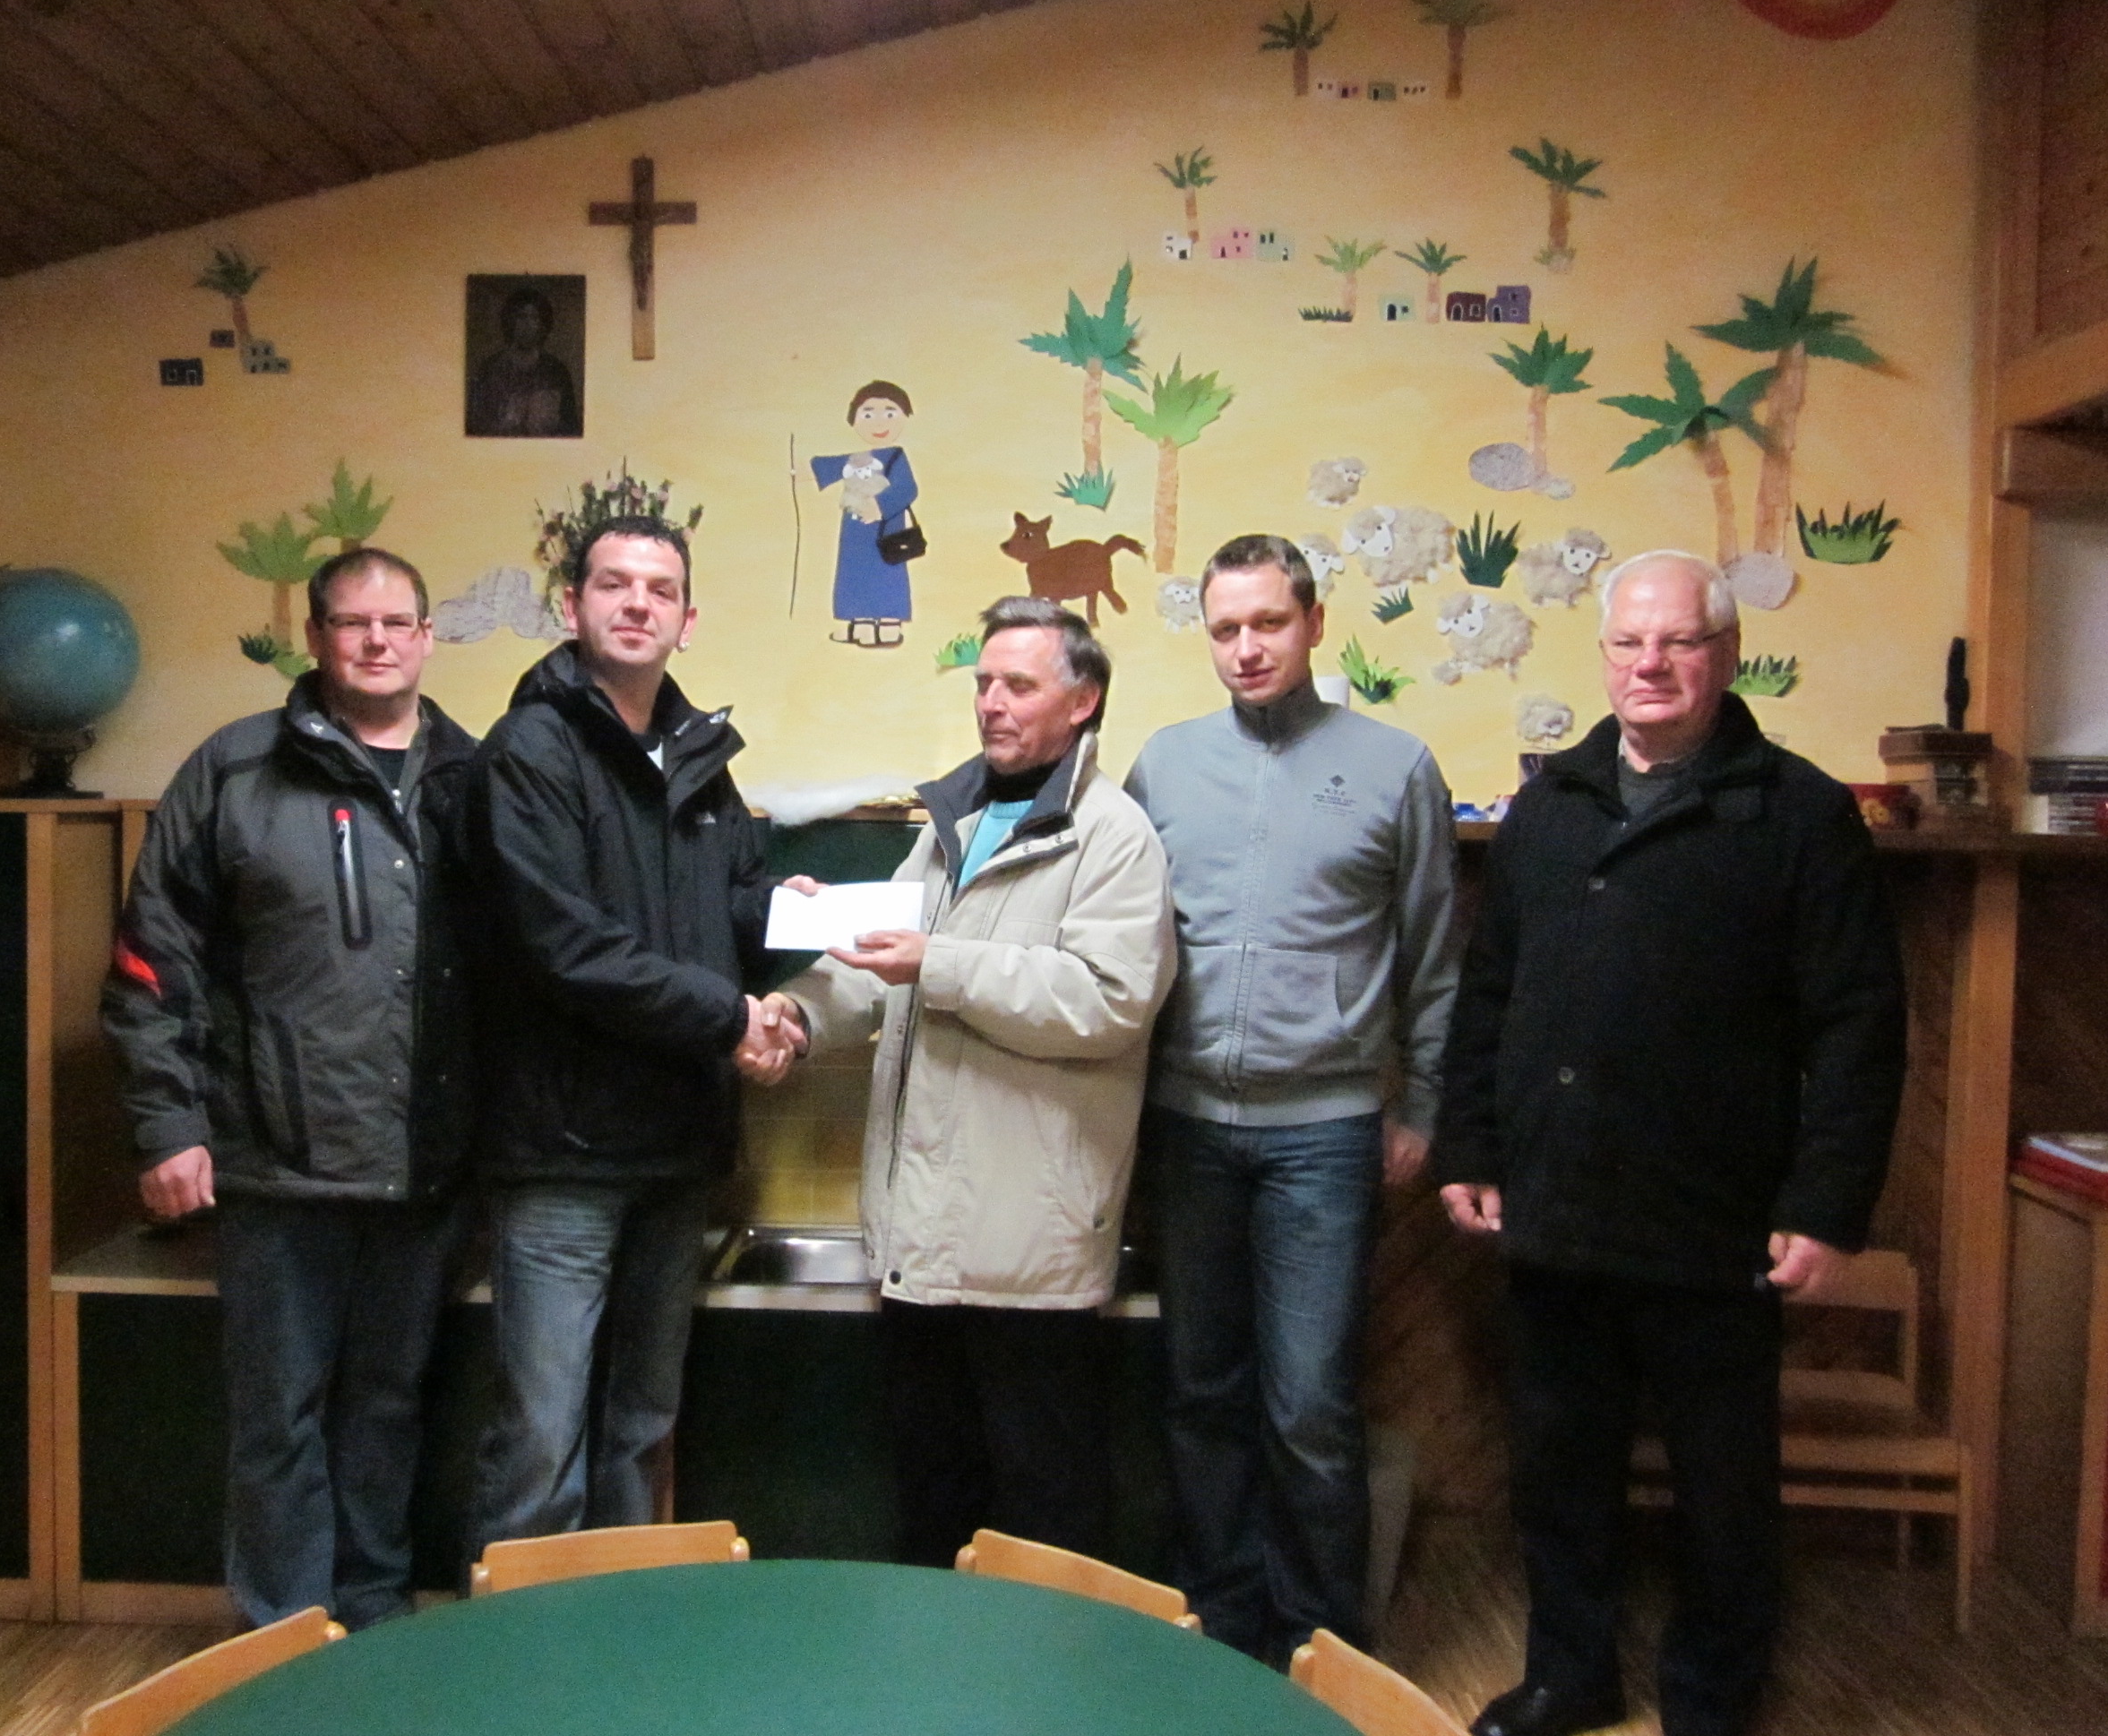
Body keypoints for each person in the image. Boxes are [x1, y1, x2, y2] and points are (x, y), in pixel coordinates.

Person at [1433, 552, 1907, 1736]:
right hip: (1555, 1203)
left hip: (1718, 1218)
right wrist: (1470, 1147)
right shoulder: (1551, 804)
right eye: (1629, 642)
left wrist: (1825, 1205)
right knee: (1559, 1471)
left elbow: (1859, 1026)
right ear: (1604, 656)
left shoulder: (1800, 813)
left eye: (1679, 641)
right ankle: (1569, 1674)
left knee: (1724, 1489)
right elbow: (1490, 996)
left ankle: (1712, 1696)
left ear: (1726, 656)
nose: (1650, 664)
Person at [102, 547, 476, 1630]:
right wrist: (167, 1126)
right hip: (273, 1165)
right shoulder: (234, 771)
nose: (376, 641)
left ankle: (373, 1625)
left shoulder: (475, 777)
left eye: (397, 622)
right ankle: (285, 1639)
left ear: (427, 638)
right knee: (279, 1420)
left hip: (426, 1170)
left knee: (389, 1410)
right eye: (353, 622)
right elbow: (150, 961)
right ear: (315, 638)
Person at [774, 596, 1175, 1565]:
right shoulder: (952, 819)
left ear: (1082, 702)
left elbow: (1107, 1001)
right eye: (984, 683)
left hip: (1029, 1250)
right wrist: (794, 1014)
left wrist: (938, 962)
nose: (992, 703)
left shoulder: (1115, 836)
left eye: (1019, 685)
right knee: (933, 1505)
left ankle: (1052, 1668)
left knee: (1044, 1524)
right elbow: (879, 961)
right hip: (921, 1242)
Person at [1122, 532, 1460, 1663]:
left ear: (1314, 623)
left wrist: (1422, 1110)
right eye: (1225, 628)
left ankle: (1322, 1647)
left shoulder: (1396, 767)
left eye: (1269, 622)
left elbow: (1435, 961)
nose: (1247, 647)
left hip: (1326, 1135)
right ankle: (1221, 1630)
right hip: (1186, 1128)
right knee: (1199, 1391)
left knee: (1310, 1404)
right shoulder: (1165, 765)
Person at [467, 513, 803, 1549]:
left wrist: (793, 924)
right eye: (614, 584)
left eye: (660, 590)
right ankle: (522, 1638)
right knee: (541, 1435)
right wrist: (729, 1017)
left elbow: (728, 908)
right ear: (573, 607)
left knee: (641, 1428)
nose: (637, 604)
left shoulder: (700, 757)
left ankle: (620, 1625)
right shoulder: (529, 751)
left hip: (677, 1146)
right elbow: (564, 947)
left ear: (687, 621)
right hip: (562, 1155)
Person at [808, 380, 921, 648]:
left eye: (890, 413)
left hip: (886, 528)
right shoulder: (854, 458)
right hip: (855, 530)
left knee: (888, 572)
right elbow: (820, 468)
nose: (879, 422)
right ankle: (862, 625)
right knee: (854, 573)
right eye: (868, 415)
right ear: (854, 419)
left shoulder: (895, 457)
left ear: (904, 417)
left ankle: (890, 624)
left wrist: (880, 507)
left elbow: (907, 488)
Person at [466, 284, 580, 437]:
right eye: (521, 317)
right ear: (511, 322)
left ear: (542, 324)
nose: (528, 325)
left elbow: (570, 427)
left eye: (534, 318)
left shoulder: (557, 371)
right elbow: (475, 425)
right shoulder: (489, 369)